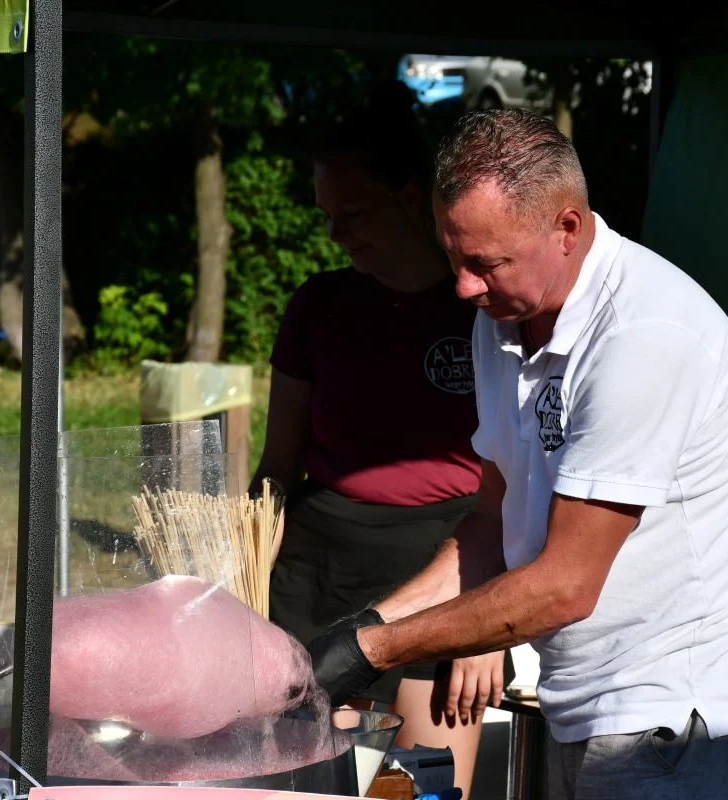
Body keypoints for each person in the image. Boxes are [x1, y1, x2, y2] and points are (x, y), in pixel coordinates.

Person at [307, 109, 728, 799]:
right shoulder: (503, 316)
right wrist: (363, 630)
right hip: (591, 703)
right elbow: (492, 520)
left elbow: (566, 583)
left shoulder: (644, 333)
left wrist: (376, 650)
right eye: (453, 256)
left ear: (566, 228)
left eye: (485, 262)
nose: (463, 286)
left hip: (678, 719)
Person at [248, 83, 511, 799]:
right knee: (306, 785)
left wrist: (492, 624)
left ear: (408, 196)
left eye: (354, 213)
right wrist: (241, 572)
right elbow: (276, 469)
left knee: (420, 788)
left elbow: (520, 492)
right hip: (319, 569)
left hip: (445, 562)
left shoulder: (486, 306)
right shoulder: (318, 306)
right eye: (327, 216)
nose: (337, 233)